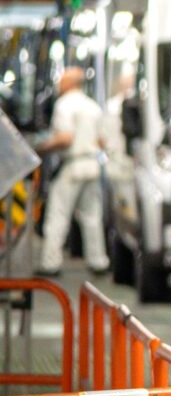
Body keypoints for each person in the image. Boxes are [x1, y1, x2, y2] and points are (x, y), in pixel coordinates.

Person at [33, 64, 108, 275]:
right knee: (92, 216)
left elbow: (65, 138)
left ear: (70, 83)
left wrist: (41, 148)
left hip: (73, 165)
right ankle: (98, 262)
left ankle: (51, 263)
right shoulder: (93, 106)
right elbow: (101, 141)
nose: (58, 84)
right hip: (92, 164)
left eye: (62, 80)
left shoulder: (64, 105)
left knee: (58, 214)